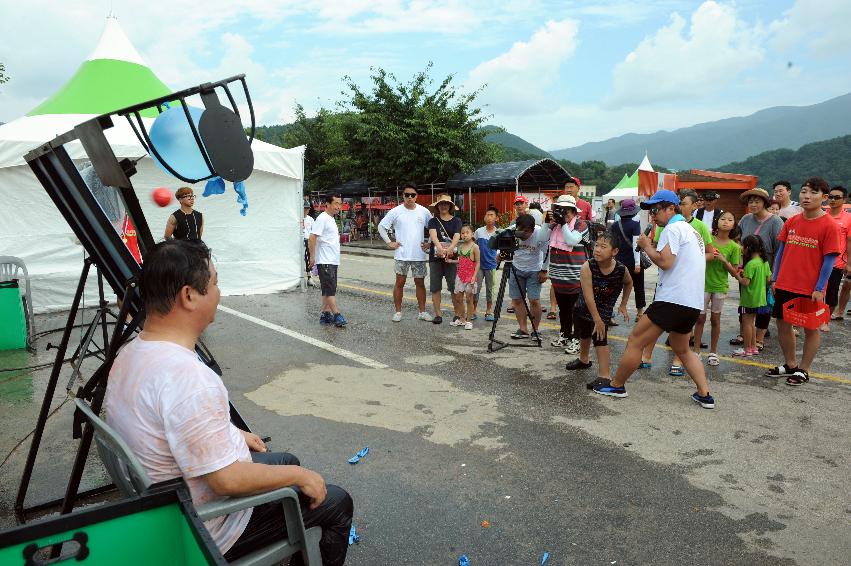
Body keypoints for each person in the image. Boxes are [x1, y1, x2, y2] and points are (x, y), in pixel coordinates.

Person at [105, 239, 353, 563]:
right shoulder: (187, 378)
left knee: (287, 459)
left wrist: (234, 434)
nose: (219, 293)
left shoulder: (132, 353)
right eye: (215, 283)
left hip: (168, 501)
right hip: (209, 526)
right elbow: (226, 480)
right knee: (335, 500)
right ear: (189, 296)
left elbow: (173, 424)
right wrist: (303, 478)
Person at [593, 189, 715, 409]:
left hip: (672, 299)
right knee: (683, 349)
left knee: (635, 341)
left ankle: (617, 385)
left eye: (656, 210)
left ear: (671, 208)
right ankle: (704, 394)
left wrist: (646, 245)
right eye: (650, 211)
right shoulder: (691, 231)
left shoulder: (673, 228)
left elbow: (666, 262)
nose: (653, 216)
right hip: (691, 303)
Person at [766, 177, 841, 385]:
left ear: (824, 198)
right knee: (782, 324)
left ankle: (804, 369)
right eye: (805, 192)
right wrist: (775, 277)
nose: (807, 197)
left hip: (810, 288)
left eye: (814, 193)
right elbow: (781, 251)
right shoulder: (792, 221)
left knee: (810, 328)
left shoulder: (829, 226)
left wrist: (819, 288)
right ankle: (790, 364)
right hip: (785, 283)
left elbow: (829, 261)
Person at [566, 232, 632, 384]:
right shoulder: (587, 266)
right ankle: (584, 360)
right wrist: (596, 319)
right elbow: (588, 297)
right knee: (584, 332)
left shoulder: (621, 269)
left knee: (600, 338)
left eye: (603, 247)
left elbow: (628, 283)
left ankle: (604, 375)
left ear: (614, 252)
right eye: (596, 245)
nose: (597, 249)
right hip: (584, 304)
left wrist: (623, 304)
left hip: (604, 306)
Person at [668, 189, 713, 375]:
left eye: (684, 203)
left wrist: (691, 258)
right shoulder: (669, 223)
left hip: (689, 281)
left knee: (684, 321)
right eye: (679, 202)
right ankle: (646, 356)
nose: (680, 206)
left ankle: (678, 359)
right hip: (669, 280)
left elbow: (711, 252)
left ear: (695, 206)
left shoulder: (700, 227)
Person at [731, 188, 784, 347]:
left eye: (757, 201)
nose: (753, 204)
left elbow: (780, 249)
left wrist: (774, 274)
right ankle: (744, 334)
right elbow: (737, 239)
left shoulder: (776, 222)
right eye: (750, 201)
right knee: (746, 301)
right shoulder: (746, 219)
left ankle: (759, 338)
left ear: (765, 203)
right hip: (746, 267)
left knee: (764, 305)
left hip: (764, 269)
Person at [378, 183, 434, 322]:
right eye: (407, 195)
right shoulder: (396, 211)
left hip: (419, 254)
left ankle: (422, 311)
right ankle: (398, 312)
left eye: (412, 195)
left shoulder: (424, 211)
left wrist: (430, 242)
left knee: (420, 283)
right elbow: (381, 226)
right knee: (399, 283)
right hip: (401, 254)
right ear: (403, 196)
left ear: (417, 196)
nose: (410, 197)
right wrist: (389, 242)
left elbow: (433, 228)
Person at [546, 195, 590, 355]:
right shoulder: (555, 226)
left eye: (565, 211)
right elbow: (542, 239)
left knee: (577, 311)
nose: (562, 214)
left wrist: (563, 223)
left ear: (573, 211)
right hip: (558, 278)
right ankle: (565, 334)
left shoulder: (580, 224)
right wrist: (547, 222)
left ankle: (577, 340)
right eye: (559, 210)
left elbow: (571, 240)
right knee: (563, 310)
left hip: (575, 278)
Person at [697, 211, 741, 365]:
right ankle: (696, 351)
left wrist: (723, 260)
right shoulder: (708, 242)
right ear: (717, 222)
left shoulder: (734, 247)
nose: (726, 222)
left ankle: (713, 352)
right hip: (703, 285)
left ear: (734, 224)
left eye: (730, 219)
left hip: (720, 286)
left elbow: (735, 272)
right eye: (723, 219)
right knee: (700, 318)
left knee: (715, 319)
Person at [505, 213, 550, 339]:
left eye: (527, 231)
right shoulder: (511, 230)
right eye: (521, 231)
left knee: (534, 300)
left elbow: (547, 252)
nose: (524, 234)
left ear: (533, 229)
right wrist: (499, 254)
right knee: (518, 300)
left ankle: (535, 330)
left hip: (534, 270)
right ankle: (523, 329)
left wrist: (544, 270)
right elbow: (501, 242)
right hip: (516, 268)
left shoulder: (540, 233)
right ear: (516, 227)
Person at [729, 235, 771, 357]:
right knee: (752, 323)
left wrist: (737, 275)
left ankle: (747, 348)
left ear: (748, 248)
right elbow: (768, 279)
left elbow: (745, 283)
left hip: (749, 299)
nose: (741, 248)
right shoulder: (764, 262)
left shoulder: (751, 264)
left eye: (743, 245)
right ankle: (753, 347)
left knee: (747, 323)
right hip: (760, 298)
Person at [309, 194, 346, 327]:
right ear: (328, 204)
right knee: (329, 288)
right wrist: (312, 257)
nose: (338, 206)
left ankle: (325, 314)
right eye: (336, 203)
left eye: (340, 204)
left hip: (332, 260)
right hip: (325, 260)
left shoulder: (330, 219)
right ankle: (336, 314)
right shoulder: (322, 218)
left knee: (329, 288)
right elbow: (312, 237)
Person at [427, 194, 463, 324]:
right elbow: (433, 236)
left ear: (450, 206)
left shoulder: (457, 221)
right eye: (441, 204)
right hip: (435, 257)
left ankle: (457, 314)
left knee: (454, 286)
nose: (443, 206)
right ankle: (437, 314)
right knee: (435, 287)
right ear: (437, 206)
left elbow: (457, 236)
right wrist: (439, 248)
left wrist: (450, 248)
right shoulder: (433, 221)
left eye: (446, 204)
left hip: (451, 257)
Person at [611, 198, 645, 319]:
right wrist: (637, 263)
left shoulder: (615, 225)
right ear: (634, 212)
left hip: (618, 261)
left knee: (615, 287)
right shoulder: (635, 225)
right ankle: (640, 313)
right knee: (638, 286)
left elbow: (612, 244)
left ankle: (609, 313)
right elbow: (636, 245)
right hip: (632, 261)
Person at [825, 186, 851, 323]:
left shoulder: (848, 218)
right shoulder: (822, 215)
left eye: (837, 197)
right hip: (818, 261)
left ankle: (826, 320)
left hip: (837, 262)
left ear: (844, 199)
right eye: (831, 197)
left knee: (832, 291)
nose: (833, 200)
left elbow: (849, 241)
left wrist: (849, 263)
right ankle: (813, 316)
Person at [451, 224, 480, 330]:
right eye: (462, 233)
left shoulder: (475, 247)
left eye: (467, 233)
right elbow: (461, 261)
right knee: (458, 298)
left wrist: (474, 276)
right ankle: (462, 319)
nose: (464, 235)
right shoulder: (461, 247)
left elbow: (477, 263)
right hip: (460, 276)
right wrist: (451, 261)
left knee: (469, 299)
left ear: (472, 234)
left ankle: (468, 321)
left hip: (470, 277)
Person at [474, 206, 499, 321]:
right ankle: (473, 310)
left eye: (491, 215)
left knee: (490, 289)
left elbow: (500, 250)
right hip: (478, 266)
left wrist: (498, 259)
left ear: (496, 218)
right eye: (487, 215)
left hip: (491, 266)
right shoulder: (478, 231)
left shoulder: (499, 233)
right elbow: (473, 245)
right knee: (476, 288)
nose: (488, 217)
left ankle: (489, 311)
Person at [302, 204, 315, 287]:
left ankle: (309, 277)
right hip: (300, 240)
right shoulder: (299, 218)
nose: (306, 210)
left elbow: (313, 231)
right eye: (305, 209)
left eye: (307, 209)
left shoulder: (310, 219)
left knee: (308, 259)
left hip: (308, 240)